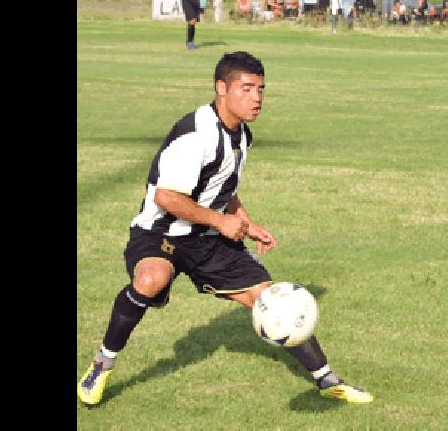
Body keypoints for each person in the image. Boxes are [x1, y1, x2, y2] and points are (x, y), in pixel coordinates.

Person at [76, 51, 374, 407]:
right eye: (246, 89)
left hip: (207, 239)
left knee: (272, 301)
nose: (257, 98)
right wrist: (221, 221)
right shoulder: (196, 135)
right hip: (161, 233)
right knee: (150, 281)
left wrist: (246, 223)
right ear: (221, 88)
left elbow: (222, 188)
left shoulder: (241, 135)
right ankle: (101, 364)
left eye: (261, 90)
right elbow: (167, 197)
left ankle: (327, 381)